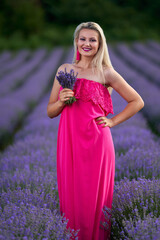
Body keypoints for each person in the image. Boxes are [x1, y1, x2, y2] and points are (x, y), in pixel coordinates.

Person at [47, 22, 144, 240]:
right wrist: (61, 102)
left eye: (92, 40)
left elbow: (137, 101)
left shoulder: (106, 73)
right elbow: (50, 111)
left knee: (94, 199)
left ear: (100, 44)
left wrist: (112, 121)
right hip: (69, 140)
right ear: (76, 41)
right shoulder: (65, 70)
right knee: (72, 196)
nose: (87, 44)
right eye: (83, 39)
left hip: (97, 142)